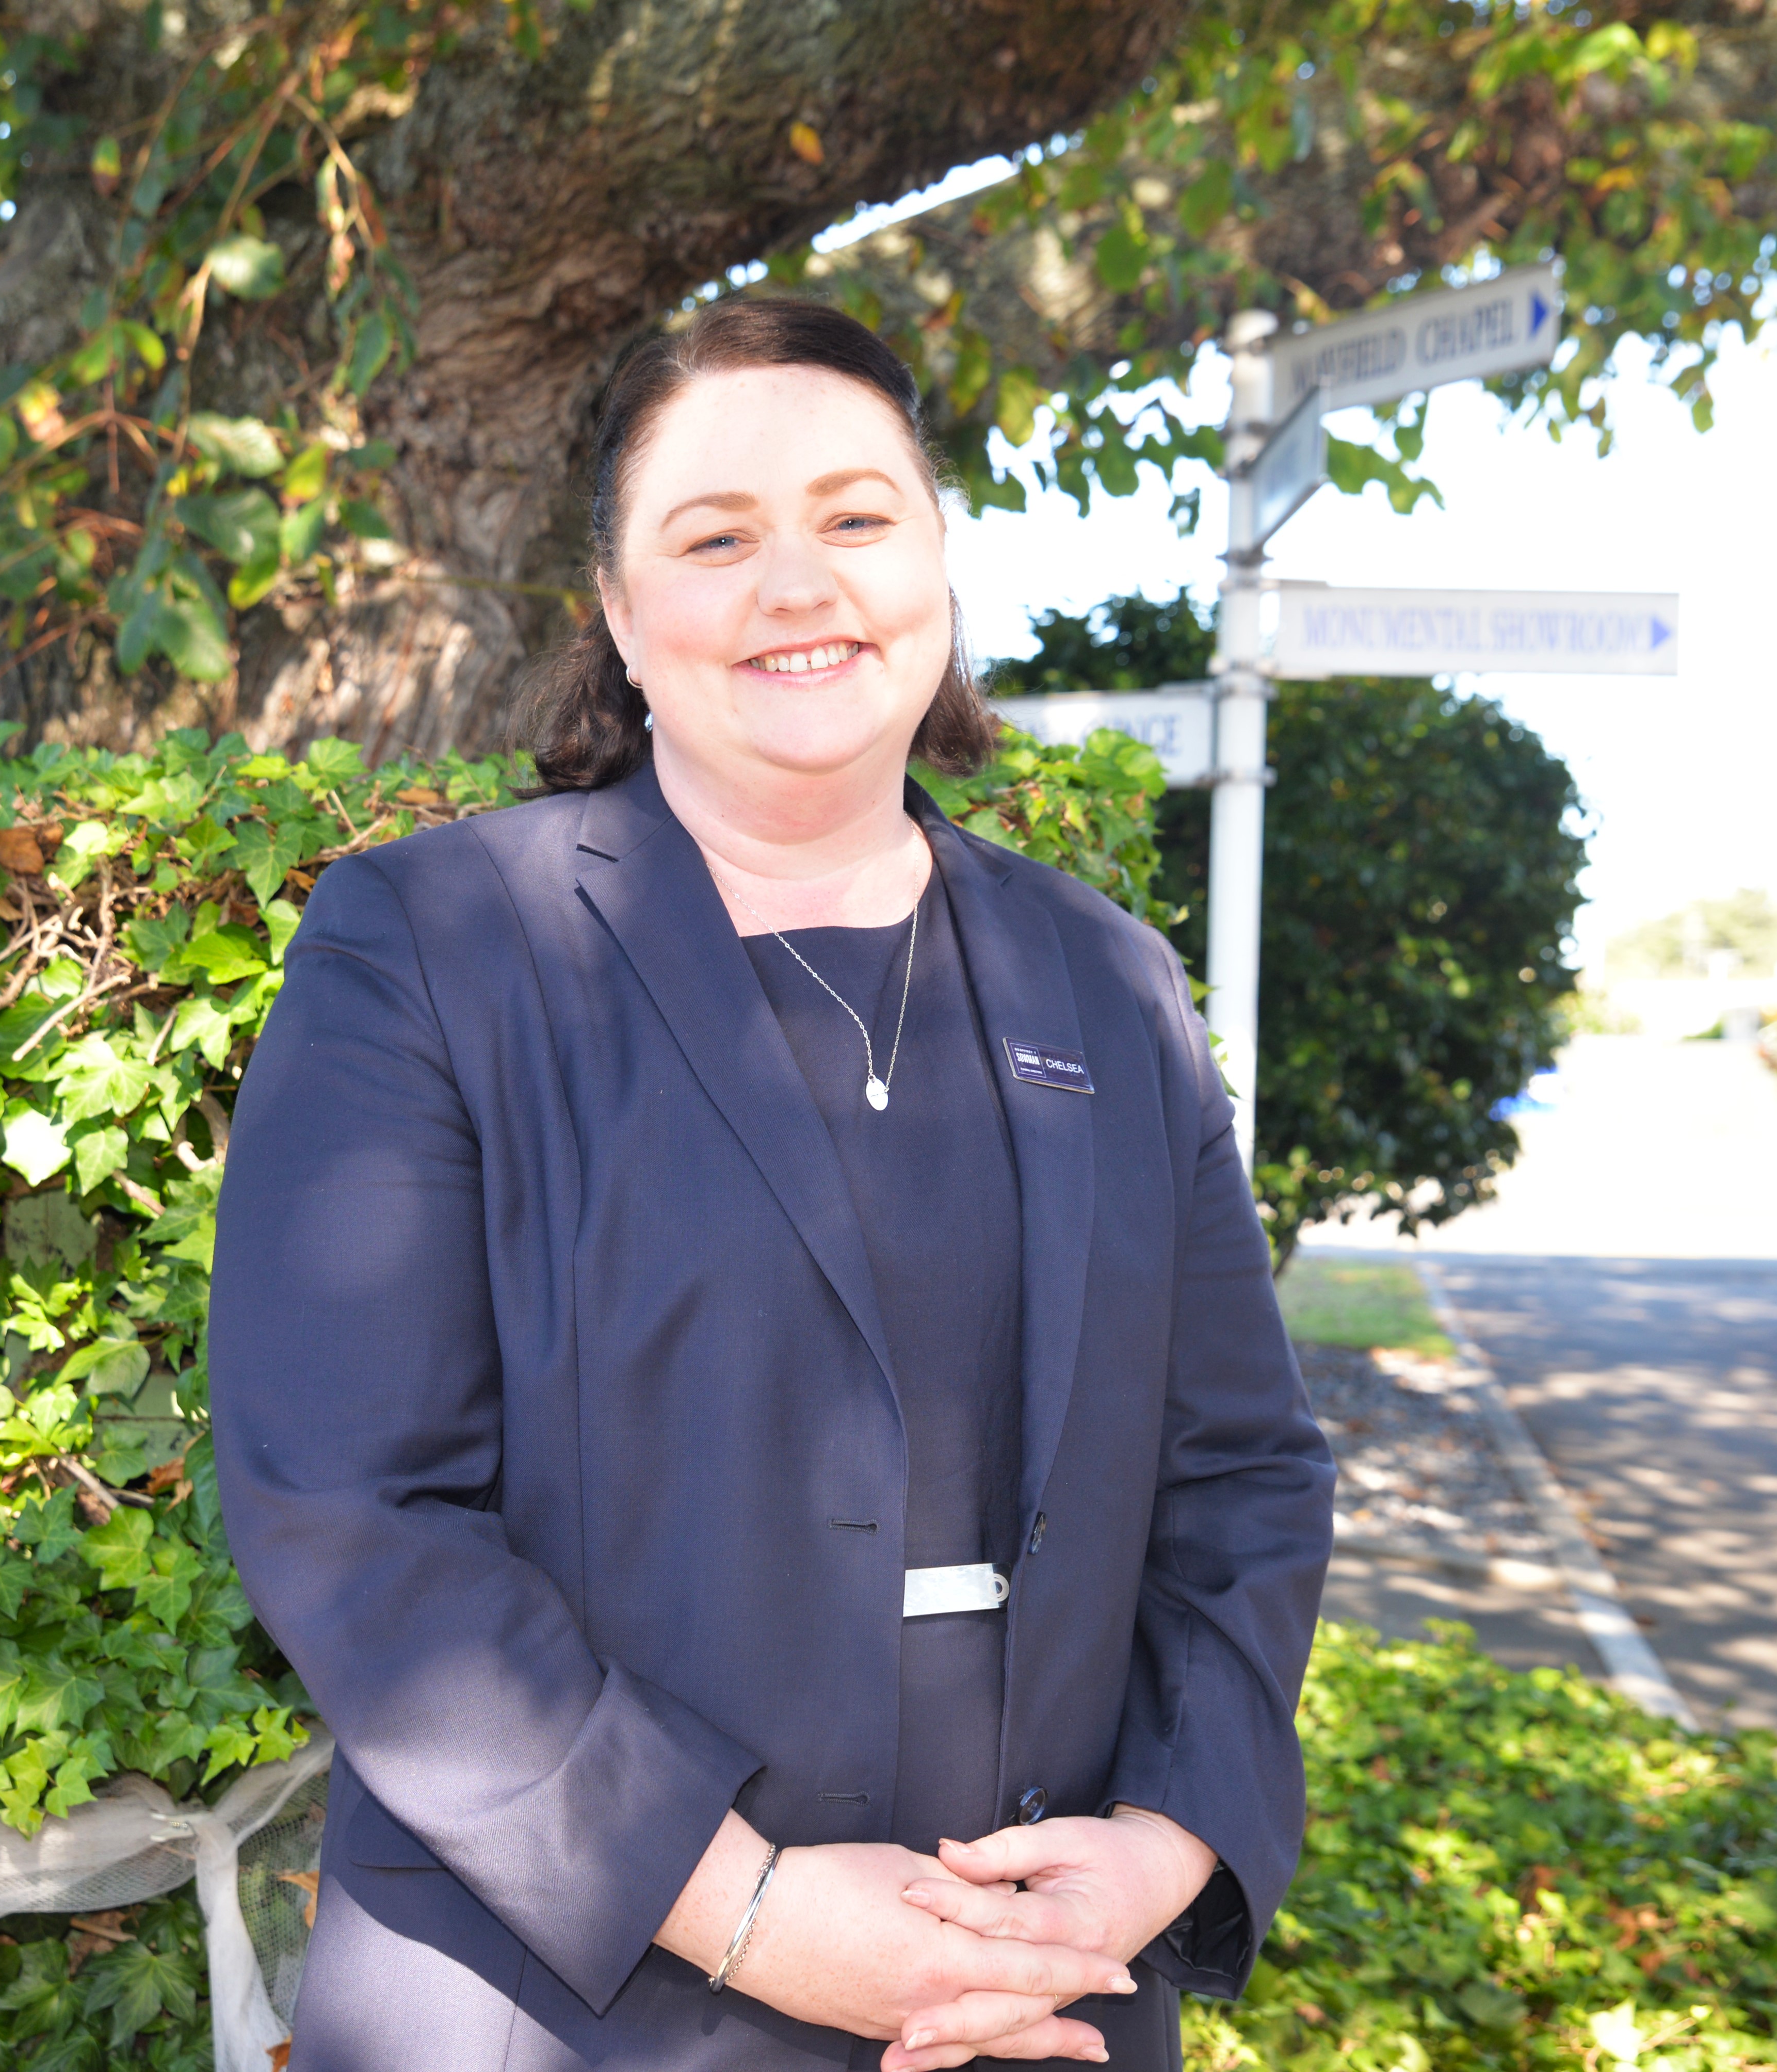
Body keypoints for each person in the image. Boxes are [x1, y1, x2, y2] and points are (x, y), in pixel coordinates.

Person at [208, 296, 1334, 2070]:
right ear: (618, 612)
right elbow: (352, 1508)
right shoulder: (430, 950)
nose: (799, 584)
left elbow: (1241, 1476)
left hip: (1032, 2005)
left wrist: (1160, 1848)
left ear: (936, 564)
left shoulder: (1108, 982)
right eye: (718, 539)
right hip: (564, 2008)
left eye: (856, 519)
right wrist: (747, 1910)